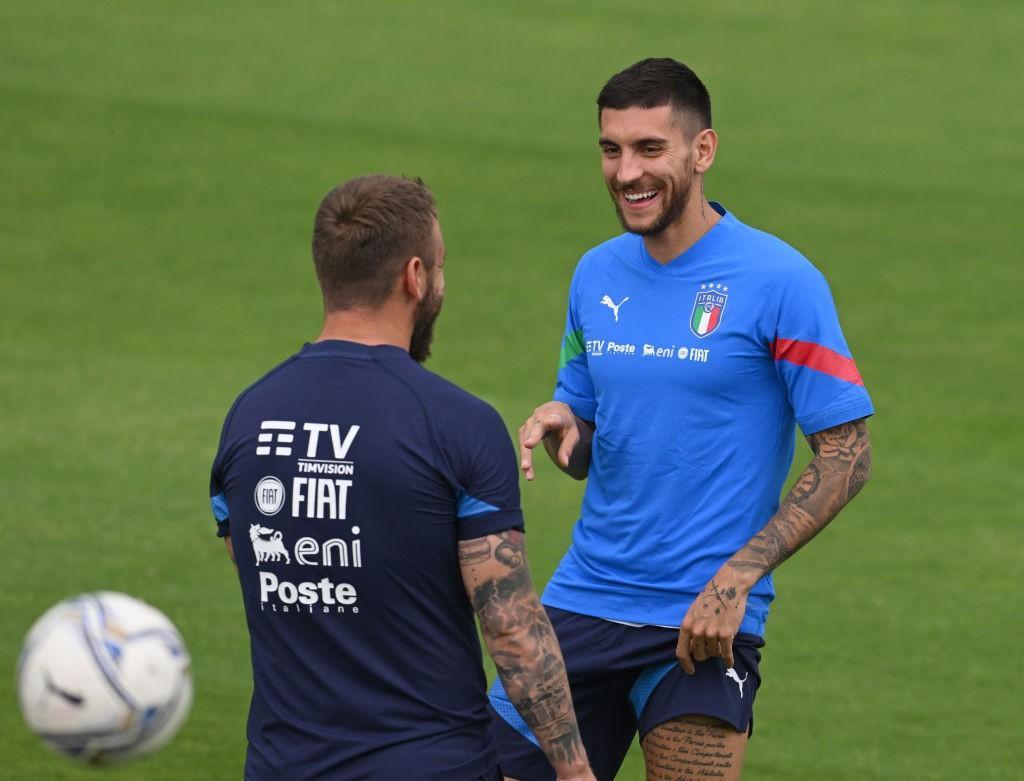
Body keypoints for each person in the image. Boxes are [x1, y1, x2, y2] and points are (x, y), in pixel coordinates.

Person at [488, 59, 874, 781]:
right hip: (584, 601)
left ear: (703, 151)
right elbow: (588, 439)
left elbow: (848, 453)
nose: (626, 171)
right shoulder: (595, 274)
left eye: (649, 149)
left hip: (703, 623)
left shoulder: (781, 281)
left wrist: (739, 575)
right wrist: (565, 424)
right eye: (611, 149)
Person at [209, 175, 596, 781]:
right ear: (415, 276)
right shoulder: (458, 424)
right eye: (440, 266)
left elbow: (261, 564)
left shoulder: (248, 416)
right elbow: (512, 630)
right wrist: (575, 773)